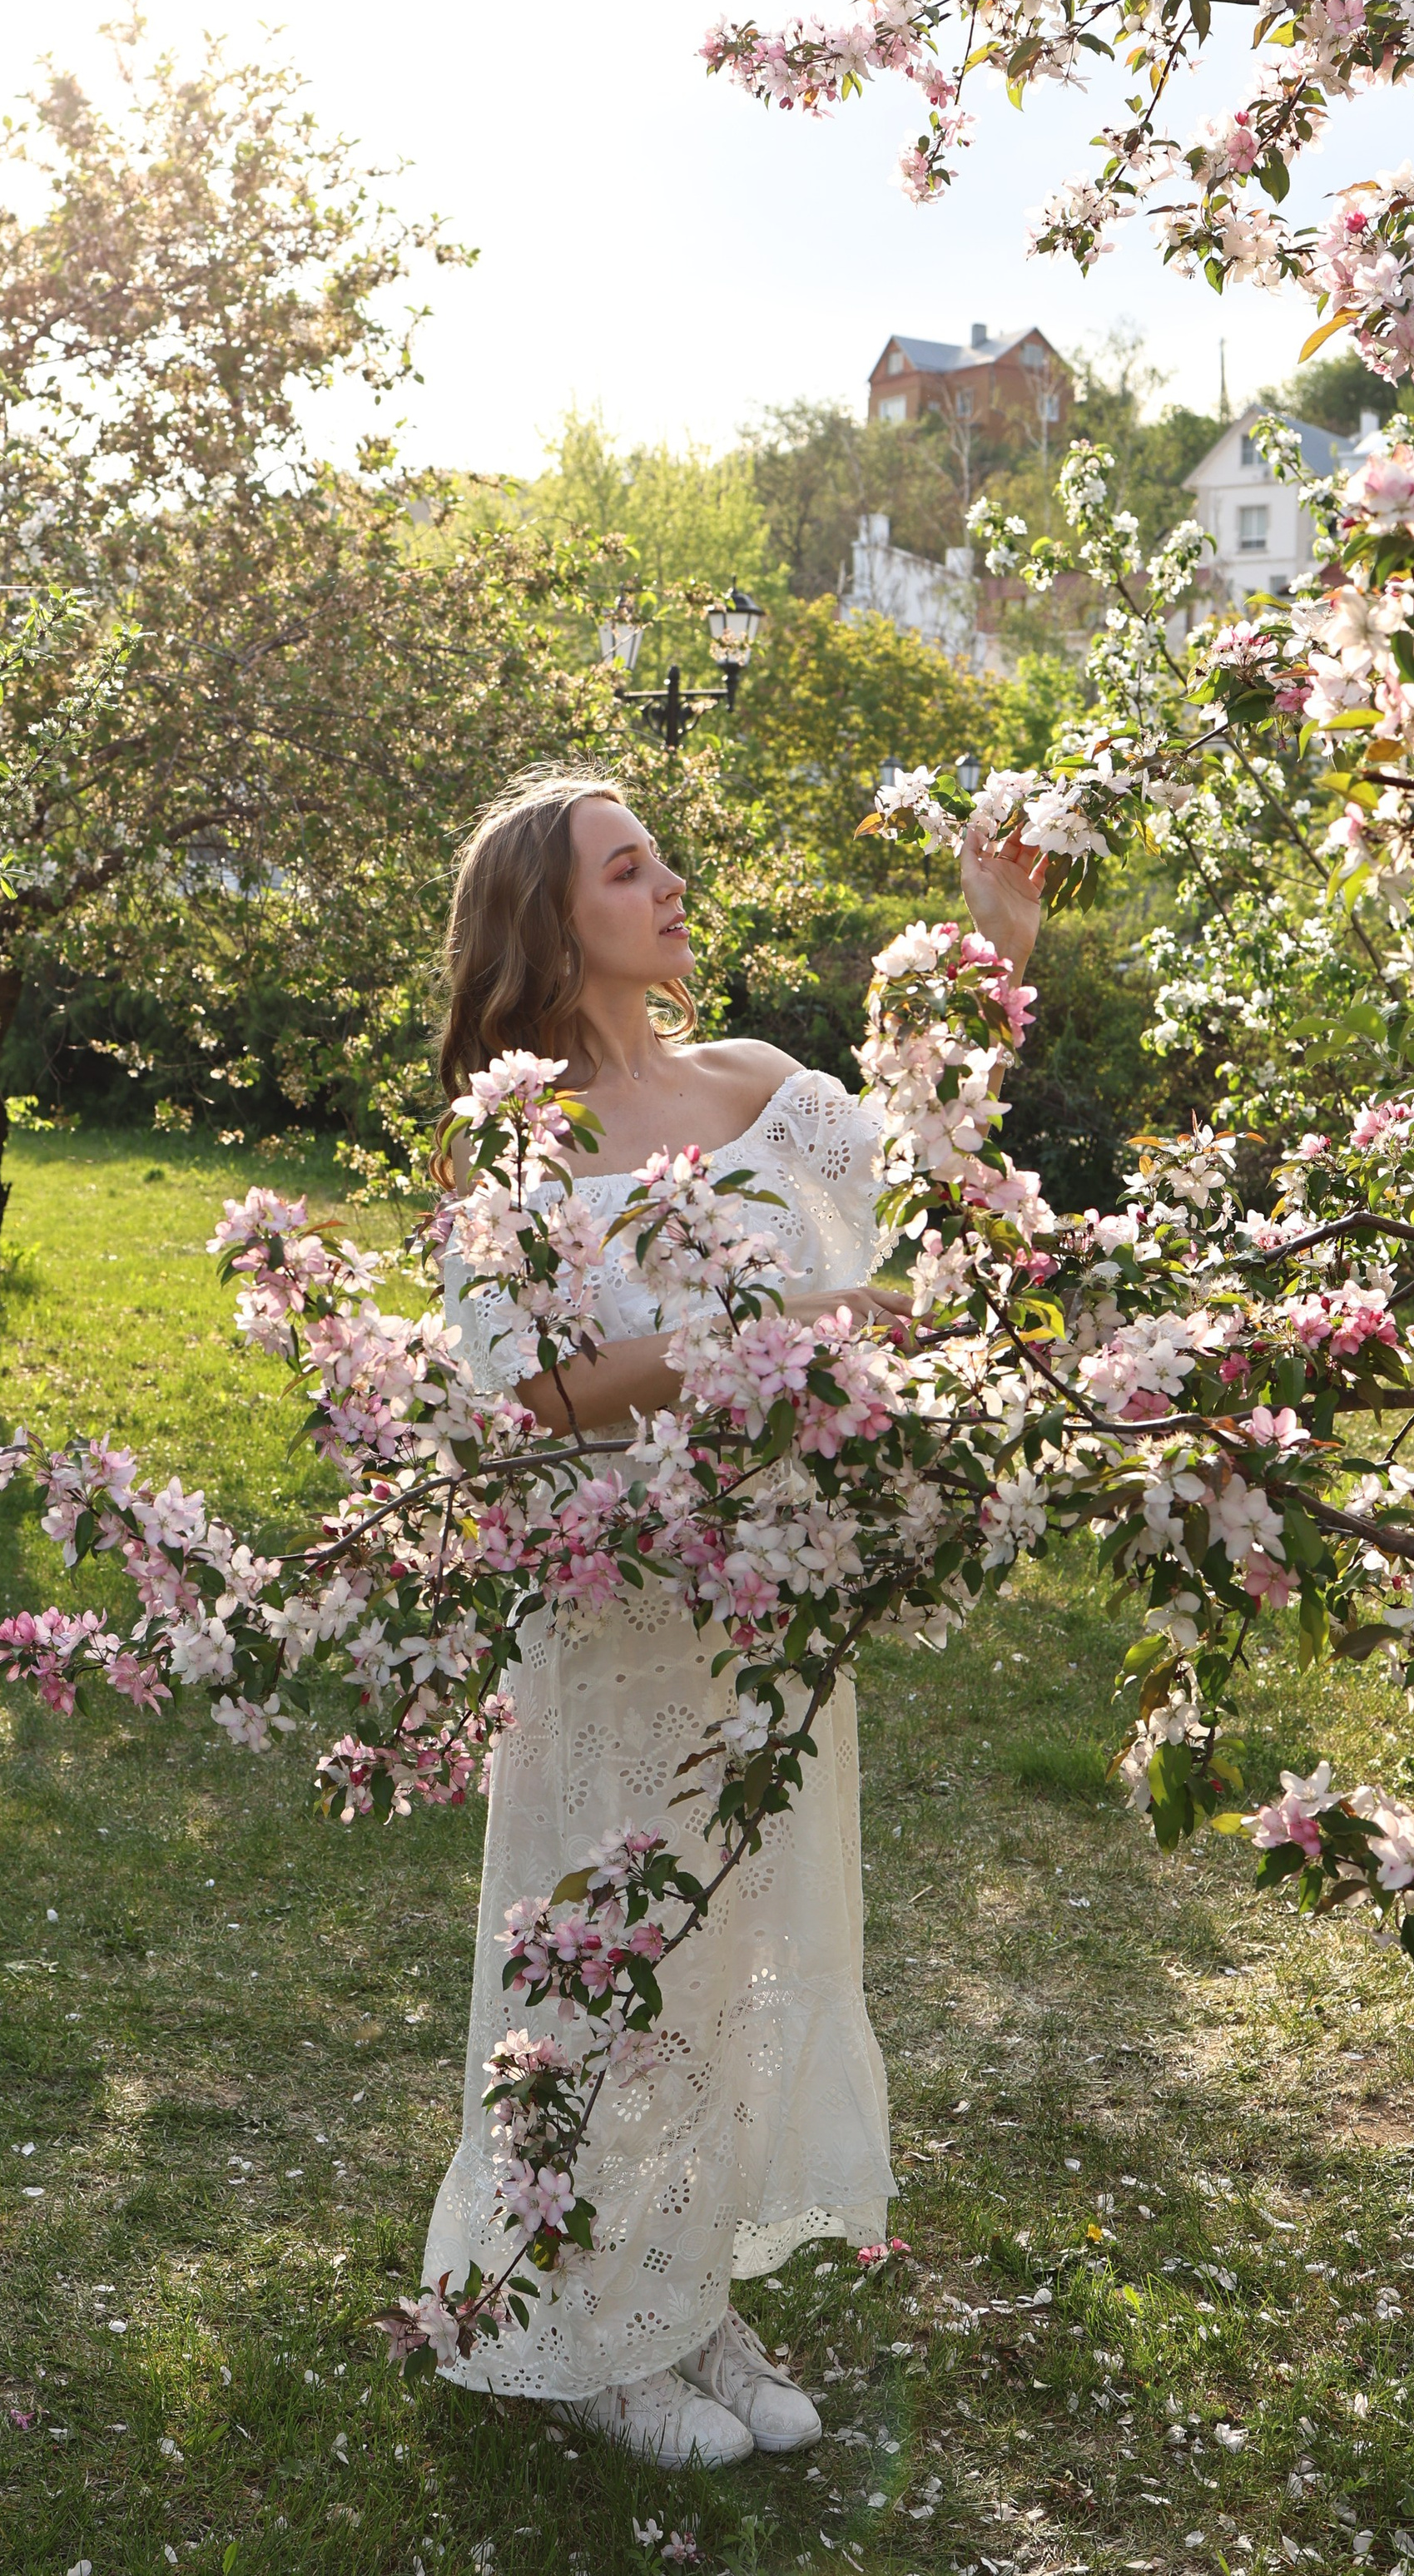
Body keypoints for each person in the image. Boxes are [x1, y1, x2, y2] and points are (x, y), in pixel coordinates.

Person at [420, 768, 1044, 2469]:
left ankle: (682, 2290)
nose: (673, 885)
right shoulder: (510, 1145)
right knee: (608, 1954)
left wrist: (993, 939)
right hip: (613, 1601)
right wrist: (763, 1335)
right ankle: (574, 2325)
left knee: (739, 1947)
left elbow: (926, 1165)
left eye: (665, 858)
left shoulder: (758, 1086)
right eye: (631, 869)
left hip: (766, 1605)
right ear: (553, 924)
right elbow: (529, 1381)